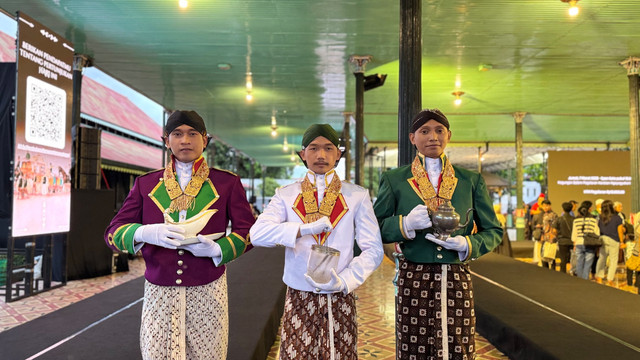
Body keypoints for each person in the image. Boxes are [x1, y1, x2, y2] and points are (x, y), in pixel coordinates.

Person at [104, 110, 255, 359]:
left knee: (208, 354)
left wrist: (219, 249)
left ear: (205, 140)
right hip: (158, 288)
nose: (185, 140)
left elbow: (247, 231)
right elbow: (113, 234)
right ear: (166, 140)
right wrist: (146, 232)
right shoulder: (146, 184)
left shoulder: (227, 183)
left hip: (208, 288)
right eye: (177, 134)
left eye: (193, 133)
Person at [373, 108, 502, 360]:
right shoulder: (395, 179)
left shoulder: (470, 180)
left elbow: (493, 231)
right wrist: (405, 224)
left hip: (455, 273)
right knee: (413, 345)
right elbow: (375, 227)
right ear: (412, 138)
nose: (433, 136)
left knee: (458, 343)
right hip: (413, 275)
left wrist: (466, 243)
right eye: (425, 131)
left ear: (449, 135)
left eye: (439, 130)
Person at [249, 124, 383, 359]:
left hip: (340, 293)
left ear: (338, 154)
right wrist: (302, 229)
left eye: (328, 148)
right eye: (313, 148)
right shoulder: (286, 194)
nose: (321, 155)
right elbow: (258, 234)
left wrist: (346, 280)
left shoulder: (357, 195)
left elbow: (373, 249)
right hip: (299, 293)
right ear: (303, 154)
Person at [595, 200, 625, 286]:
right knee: (613, 260)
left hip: (603, 239)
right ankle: (610, 278)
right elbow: (620, 231)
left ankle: (599, 276)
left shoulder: (600, 217)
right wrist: (622, 242)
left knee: (602, 258)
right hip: (614, 240)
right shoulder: (617, 218)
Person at [572, 201, 600, 280]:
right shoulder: (593, 220)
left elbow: (574, 235)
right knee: (588, 264)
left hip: (579, 243)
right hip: (590, 243)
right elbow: (597, 233)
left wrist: (574, 243)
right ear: (589, 209)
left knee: (579, 262)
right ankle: (585, 279)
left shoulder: (576, 221)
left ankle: (579, 279)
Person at [534, 200, 558, 270]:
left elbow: (555, 227)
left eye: (546, 206)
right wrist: (540, 226)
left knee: (551, 256)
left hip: (551, 238)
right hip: (544, 237)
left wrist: (553, 237)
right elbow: (545, 226)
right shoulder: (544, 214)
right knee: (544, 255)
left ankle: (552, 272)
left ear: (550, 205)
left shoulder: (554, 215)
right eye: (543, 206)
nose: (545, 207)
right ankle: (546, 271)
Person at [553, 202, 575, 273]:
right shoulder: (574, 219)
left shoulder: (559, 219)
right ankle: (573, 272)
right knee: (573, 258)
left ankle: (563, 273)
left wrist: (557, 236)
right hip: (572, 241)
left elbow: (554, 230)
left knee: (563, 259)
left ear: (563, 209)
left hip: (562, 241)